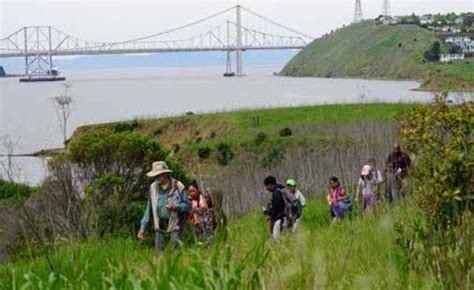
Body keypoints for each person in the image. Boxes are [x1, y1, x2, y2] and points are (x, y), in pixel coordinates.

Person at [137, 161, 189, 255]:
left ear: (165, 174)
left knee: (174, 252)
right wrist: (142, 228)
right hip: (160, 223)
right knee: (159, 253)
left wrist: (176, 207)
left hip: (175, 223)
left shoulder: (178, 186)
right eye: (155, 176)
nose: (156, 178)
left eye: (158, 175)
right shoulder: (153, 187)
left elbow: (186, 205)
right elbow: (149, 208)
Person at [188, 180, 214, 245]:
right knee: (199, 238)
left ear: (197, 190)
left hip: (206, 221)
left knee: (209, 236)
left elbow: (209, 206)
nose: (191, 193)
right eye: (190, 192)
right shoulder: (190, 201)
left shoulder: (203, 197)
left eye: (193, 191)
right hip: (197, 223)